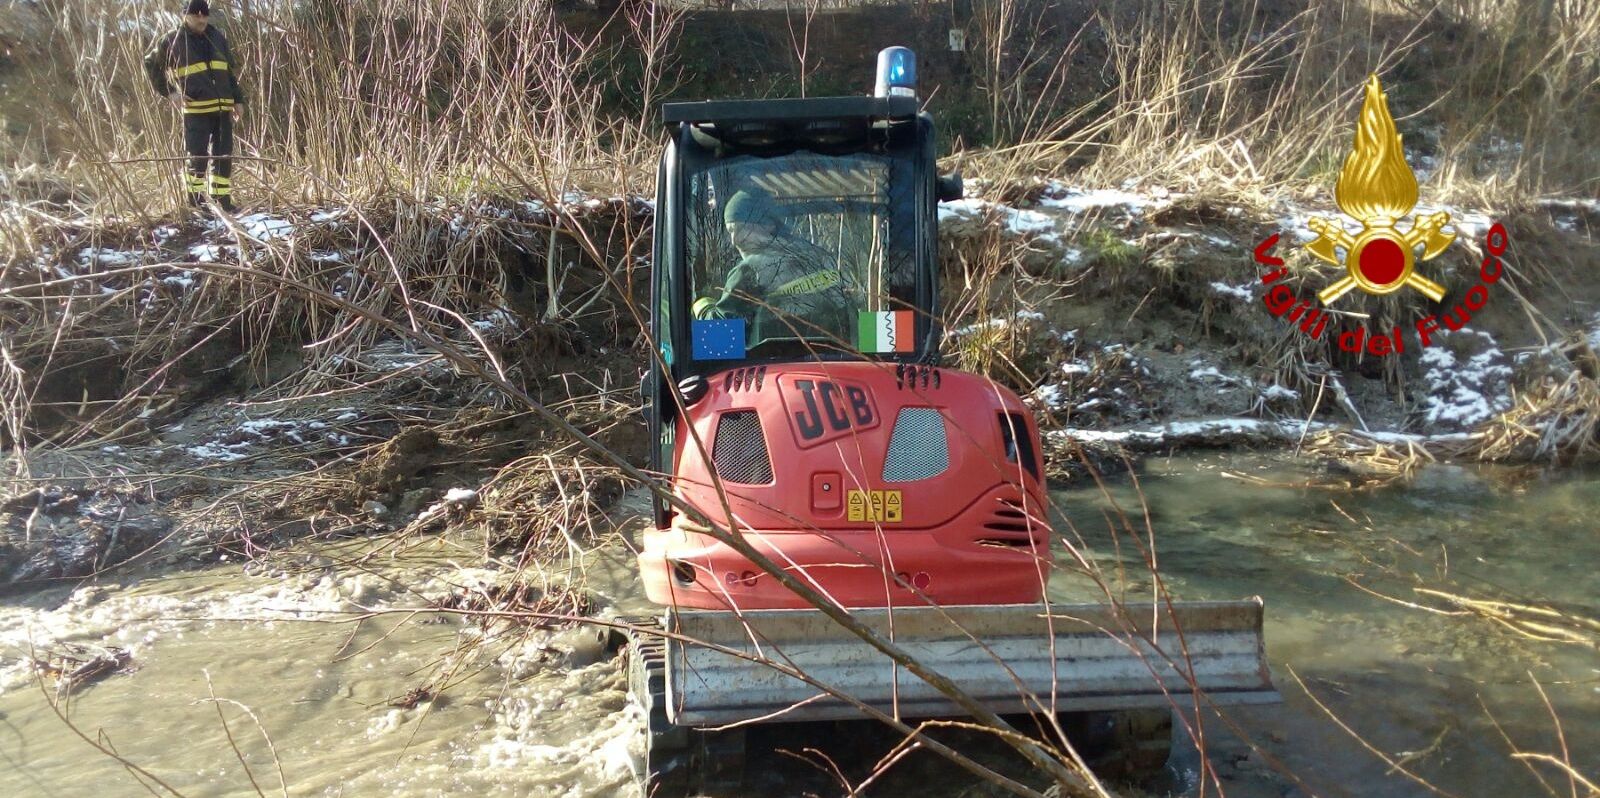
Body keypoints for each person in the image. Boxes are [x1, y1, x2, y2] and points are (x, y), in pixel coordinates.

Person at [694, 189, 853, 340]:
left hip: (772, 364)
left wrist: (702, 307)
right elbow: (853, 325)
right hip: (837, 359)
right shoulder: (821, 258)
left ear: (769, 225)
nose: (735, 240)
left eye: (743, 228)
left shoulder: (749, 270)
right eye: (730, 231)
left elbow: (720, 343)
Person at [143, 1, 246, 212]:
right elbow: (151, 64)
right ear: (185, 16)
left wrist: (238, 100)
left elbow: (228, 73)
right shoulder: (171, 40)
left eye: (204, 15)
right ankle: (197, 203)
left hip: (224, 108)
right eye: (195, 15)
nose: (201, 19)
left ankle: (222, 202)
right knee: (197, 157)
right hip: (196, 110)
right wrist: (170, 92)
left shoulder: (218, 37)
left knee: (223, 157)